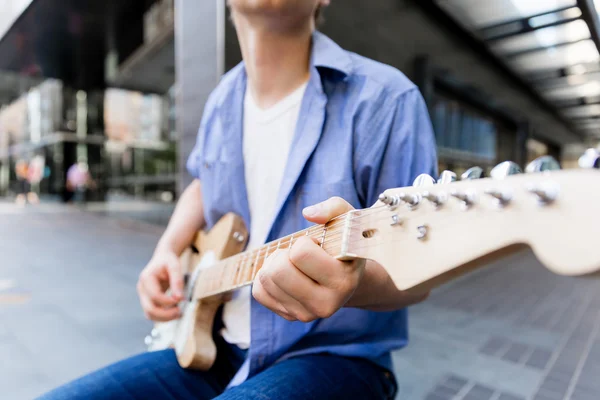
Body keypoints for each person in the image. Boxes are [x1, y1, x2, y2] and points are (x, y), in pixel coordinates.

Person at [39, 1, 437, 399]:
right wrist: (166, 251)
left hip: (336, 359)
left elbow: (419, 272)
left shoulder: (388, 99)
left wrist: (353, 284)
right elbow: (203, 182)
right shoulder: (221, 101)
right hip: (215, 350)